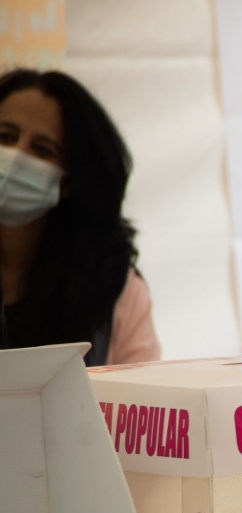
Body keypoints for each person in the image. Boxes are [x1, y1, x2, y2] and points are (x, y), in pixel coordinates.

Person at [0, 69, 160, 366]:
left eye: (41, 149)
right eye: (6, 136)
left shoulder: (116, 291)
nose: (16, 156)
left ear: (70, 182)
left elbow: (143, 400)